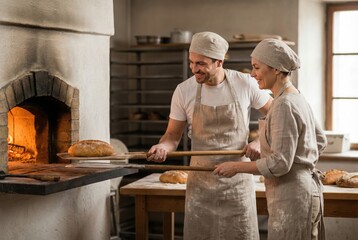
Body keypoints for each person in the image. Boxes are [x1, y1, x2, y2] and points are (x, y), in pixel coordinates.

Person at [147, 31, 272, 240]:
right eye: (192, 62)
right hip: (201, 183)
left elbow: (277, 115)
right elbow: (171, 136)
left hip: (237, 181)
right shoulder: (183, 91)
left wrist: (260, 141)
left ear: (219, 62)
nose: (195, 69)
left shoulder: (245, 83)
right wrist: (162, 148)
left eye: (201, 64)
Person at [213, 39, 327, 240]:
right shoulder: (296, 97)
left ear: (275, 69)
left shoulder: (284, 104)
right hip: (304, 191)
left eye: (257, 67)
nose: (252, 73)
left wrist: (236, 166)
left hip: (292, 196)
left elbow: (280, 163)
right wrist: (303, 162)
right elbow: (320, 140)